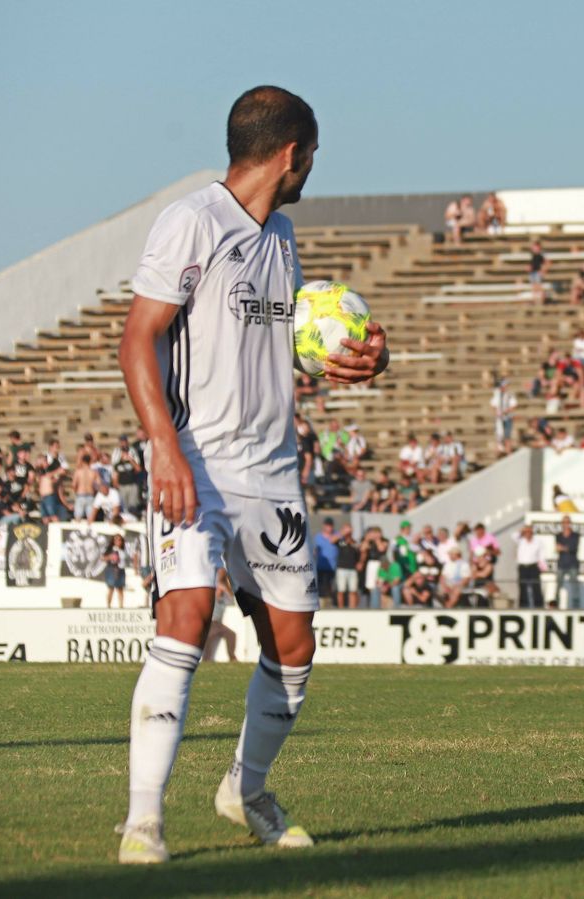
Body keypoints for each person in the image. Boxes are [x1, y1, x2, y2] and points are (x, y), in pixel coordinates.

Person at [115, 86, 388, 865]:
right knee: (186, 617)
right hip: (195, 463)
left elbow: (289, 342)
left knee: (293, 648)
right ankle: (143, 820)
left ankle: (246, 788)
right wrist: (163, 447)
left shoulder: (283, 238)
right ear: (292, 152)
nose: (312, 168)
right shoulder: (191, 220)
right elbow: (138, 337)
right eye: (314, 155)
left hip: (271, 475)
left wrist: (368, 358)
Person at [514, 523, 544, 609]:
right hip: (523, 567)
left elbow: (541, 555)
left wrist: (542, 567)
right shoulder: (520, 540)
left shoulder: (537, 541)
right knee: (522, 587)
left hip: (533, 566)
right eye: (526, 531)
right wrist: (523, 530)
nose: (528, 533)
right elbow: (513, 536)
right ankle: (523, 606)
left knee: (536, 587)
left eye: (529, 531)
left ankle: (539, 606)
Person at [103, 534, 129, 608]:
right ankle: (108, 605)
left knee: (120, 589)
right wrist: (110, 557)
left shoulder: (123, 550)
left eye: (119, 540)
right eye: (116, 540)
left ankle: (121, 606)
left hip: (121, 570)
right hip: (112, 569)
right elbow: (103, 558)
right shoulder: (111, 549)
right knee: (111, 588)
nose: (118, 542)